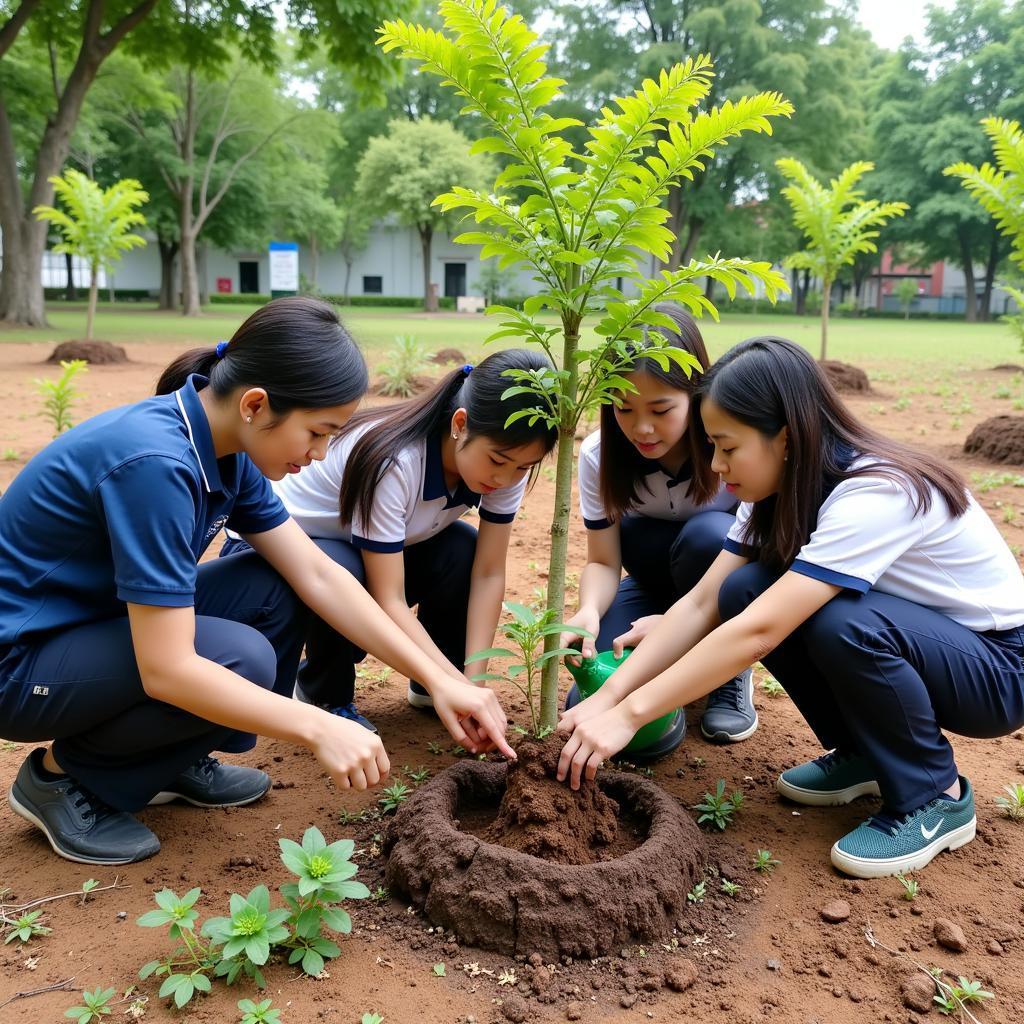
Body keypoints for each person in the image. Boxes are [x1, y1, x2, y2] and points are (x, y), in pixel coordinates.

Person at [0, 296, 515, 867]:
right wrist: (317, 725)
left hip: (96, 625)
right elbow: (167, 667)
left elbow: (316, 572)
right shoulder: (155, 465)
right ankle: (63, 779)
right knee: (237, 656)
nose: (321, 454)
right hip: (22, 662)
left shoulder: (226, 451)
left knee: (274, 588)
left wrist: (439, 679)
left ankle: (165, 755)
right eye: (318, 433)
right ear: (255, 404)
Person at [557, 336, 1024, 878]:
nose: (715, 464)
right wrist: (613, 694)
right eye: (710, 445)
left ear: (784, 438)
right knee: (742, 589)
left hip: (999, 668)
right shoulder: (777, 493)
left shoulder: (876, 491)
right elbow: (706, 600)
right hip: (927, 639)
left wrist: (628, 716)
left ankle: (933, 794)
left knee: (840, 622)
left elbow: (760, 631)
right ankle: (866, 755)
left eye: (728, 447)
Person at [230, 349, 557, 729]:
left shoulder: (503, 466)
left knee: (461, 549)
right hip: (281, 556)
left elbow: (487, 573)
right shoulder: (396, 462)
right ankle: (324, 693)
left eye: (524, 467)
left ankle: (434, 687)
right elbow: (390, 598)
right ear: (460, 424)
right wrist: (449, 683)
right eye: (499, 461)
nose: (506, 478)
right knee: (343, 566)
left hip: (357, 549)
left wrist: (473, 680)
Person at [558, 303, 756, 747]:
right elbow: (604, 561)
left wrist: (673, 624)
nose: (642, 428)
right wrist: (589, 611)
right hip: (648, 585)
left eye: (661, 409)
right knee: (585, 704)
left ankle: (727, 670)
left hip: (721, 593)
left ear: (697, 395)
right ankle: (672, 669)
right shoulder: (599, 455)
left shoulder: (728, 451)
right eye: (623, 410)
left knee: (708, 535)